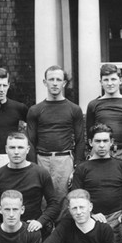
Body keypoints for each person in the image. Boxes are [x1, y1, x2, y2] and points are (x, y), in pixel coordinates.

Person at [26, 65, 84, 222]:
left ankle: (62, 241)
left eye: (58, 79)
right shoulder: (35, 110)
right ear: (45, 82)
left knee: (63, 201)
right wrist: (33, 166)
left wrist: (76, 166)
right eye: (51, 79)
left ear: (64, 83)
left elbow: (80, 139)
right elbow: (30, 140)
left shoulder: (74, 109)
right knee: (42, 200)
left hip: (64, 160)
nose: (55, 83)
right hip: (41, 159)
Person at [0, 132, 58, 240]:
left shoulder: (40, 173)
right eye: (12, 147)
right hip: (6, 234)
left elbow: (54, 204)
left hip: (33, 231)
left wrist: (40, 222)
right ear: (6, 149)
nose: (16, 152)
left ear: (27, 149)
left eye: (20, 147)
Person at [70, 123, 122, 235]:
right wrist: (91, 215)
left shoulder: (121, 165)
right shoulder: (82, 168)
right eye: (98, 141)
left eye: (105, 141)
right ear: (91, 143)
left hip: (117, 219)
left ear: (111, 142)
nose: (102, 145)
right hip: (91, 220)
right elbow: (75, 198)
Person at [86, 63, 122, 173]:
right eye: (106, 80)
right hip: (101, 152)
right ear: (101, 82)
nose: (110, 83)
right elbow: (89, 132)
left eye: (113, 79)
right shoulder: (94, 104)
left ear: (120, 80)